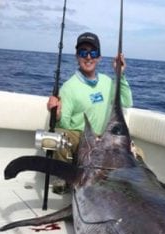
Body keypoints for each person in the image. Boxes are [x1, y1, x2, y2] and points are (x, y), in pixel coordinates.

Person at [46, 32, 135, 193]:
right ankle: (65, 179)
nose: (88, 57)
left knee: (138, 153)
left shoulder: (109, 82)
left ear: (99, 57)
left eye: (93, 53)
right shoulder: (69, 87)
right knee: (58, 136)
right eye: (83, 52)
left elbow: (127, 101)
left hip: (106, 140)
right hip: (82, 139)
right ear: (77, 56)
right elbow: (65, 124)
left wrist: (120, 75)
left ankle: (126, 190)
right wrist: (57, 115)